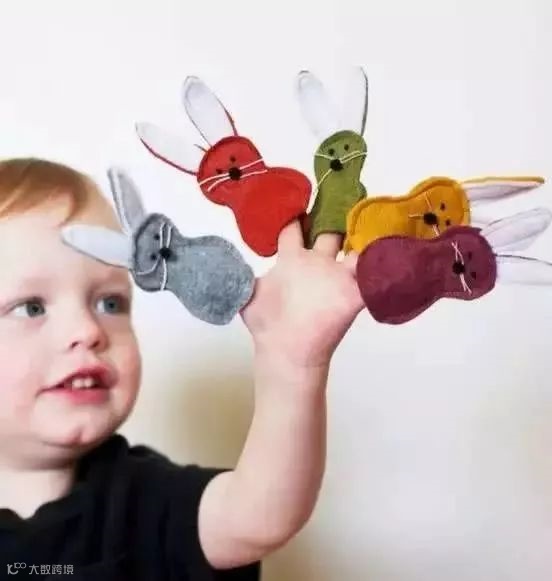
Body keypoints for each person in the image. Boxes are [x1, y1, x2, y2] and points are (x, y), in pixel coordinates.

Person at [0, 158, 364, 580]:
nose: (87, 330)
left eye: (109, 303)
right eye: (31, 308)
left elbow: (258, 516)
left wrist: (292, 367)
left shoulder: (144, 502)